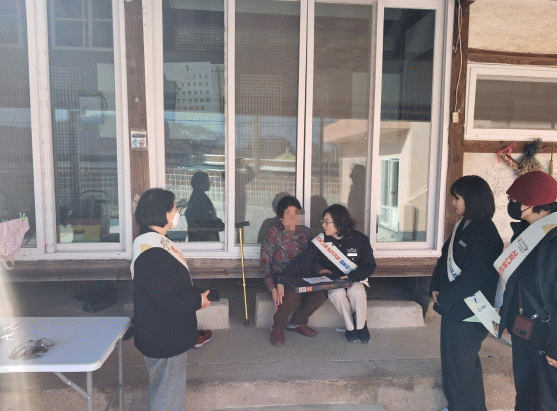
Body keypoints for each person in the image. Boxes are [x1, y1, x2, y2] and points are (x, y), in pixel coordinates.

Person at [131, 188, 212, 410]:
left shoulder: (151, 241)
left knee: (164, 391)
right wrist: (197, 300)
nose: (177, 212)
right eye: (175, 208)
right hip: (165, 337)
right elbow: (170, 298)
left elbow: (167, 286)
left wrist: (197, 294)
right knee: (167, 397)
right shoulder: (152, 251)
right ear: (164, 213)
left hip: (162, 332)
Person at [429, 175, 503, 411]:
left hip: (471, 309)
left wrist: (444, 300)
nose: (453, 203)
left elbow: (473, 278)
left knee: (463, 366)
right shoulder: (463, 225)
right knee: (450, 362)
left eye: (457, 198)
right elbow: (445, 259)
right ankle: (455, 406)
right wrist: (435, 286)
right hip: (454, 306)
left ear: (472, 199)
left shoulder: (486, 233)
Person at [497, 170, 557, 410]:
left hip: (547, 335)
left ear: (532, 203)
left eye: (514, 199)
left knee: (545, 400)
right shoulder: (525, 234)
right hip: (523, 330)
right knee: (524, 392)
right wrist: (506, 318)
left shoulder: (554, 239)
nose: (510, 204)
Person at [282, 204, 377, 343]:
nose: (323, 225)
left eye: (327, 222)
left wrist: (351, 277)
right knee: (337, 294)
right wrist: (282, 278)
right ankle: (350, 327)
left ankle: (361, 326)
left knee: (356, 291)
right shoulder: (321, 240)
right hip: (334, 282)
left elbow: (370, 266)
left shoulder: (360, 239)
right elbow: (302, 260)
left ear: (339, 223)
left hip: (355, 278)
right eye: (323, 221)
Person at [260, 195, 327, 346]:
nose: (294, 219)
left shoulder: (306, 233)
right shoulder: (273, 233)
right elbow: (264, 265)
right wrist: (272, 288)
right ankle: (277, 328)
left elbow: (312, 259)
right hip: (280, 281)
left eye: (296, 214)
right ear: (281, 218)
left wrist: (320, 270)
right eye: (289, 215)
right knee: (292, 295)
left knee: (321, 294)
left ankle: (298, 322)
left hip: (302, 278)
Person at [186, 171, 224, 241]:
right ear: (201, 183)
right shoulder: (198, 199)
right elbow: (203, 222)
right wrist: (218, 224)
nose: (209, 183)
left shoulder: (201, 196)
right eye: (207, 181)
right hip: (203, 240)